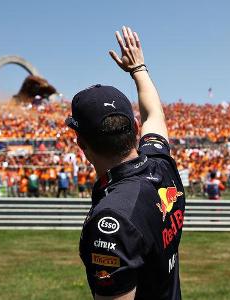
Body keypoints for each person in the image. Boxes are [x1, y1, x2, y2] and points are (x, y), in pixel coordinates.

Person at [67, 26, 185, 300]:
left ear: (81, 145)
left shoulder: (112, 219)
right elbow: (154, 114)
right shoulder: (161, 165)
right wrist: (138, 68)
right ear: (134, 128)